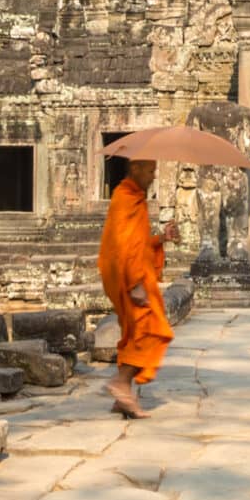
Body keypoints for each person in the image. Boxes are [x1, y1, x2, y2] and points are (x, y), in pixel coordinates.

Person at [98, 157, 178, 417]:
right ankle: (120, 383)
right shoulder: (124, 198)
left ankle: (123, 396)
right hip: (129, 277)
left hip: (131, 272)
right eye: (151, 170)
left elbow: (138, 243)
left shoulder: (134, 197)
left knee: (133, 332)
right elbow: (123, 246)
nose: (154, 176)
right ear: (135, 168)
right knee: (154, 329)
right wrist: (135, 284)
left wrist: (160, 239)